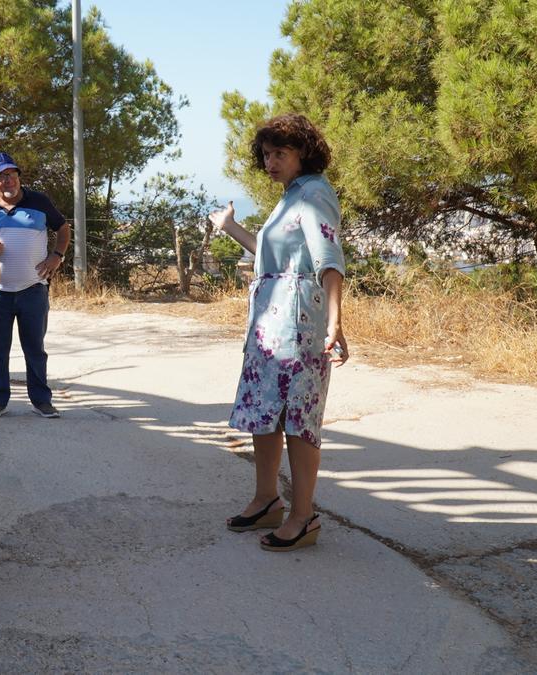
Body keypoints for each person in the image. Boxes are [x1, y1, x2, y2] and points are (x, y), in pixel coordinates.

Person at [209, 113, 348, 552]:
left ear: (302, 153)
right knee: (262, 412)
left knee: (297, 419)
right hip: (269, 325)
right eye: (266, 154)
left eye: (280, 153)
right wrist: (229, 227)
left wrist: (335, 322)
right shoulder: (291, 197)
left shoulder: (314, 194)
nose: (270, 162)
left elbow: (328, 259)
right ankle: (266, 498)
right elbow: (272, 255)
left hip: (299, 326)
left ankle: (303, 515)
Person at [0, 152, 70, 419]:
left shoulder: (38, 201)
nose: (8, 181)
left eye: (12, 175)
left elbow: (63, 228)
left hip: (33, 289)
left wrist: (57, 256)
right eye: (1, 177)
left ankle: (41, 400)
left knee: (35, 349)